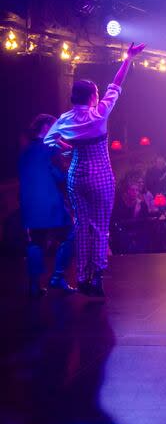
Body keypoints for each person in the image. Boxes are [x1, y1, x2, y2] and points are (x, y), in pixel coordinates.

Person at [44, 42, 145, 297]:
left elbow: (47, 142)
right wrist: (128, 58)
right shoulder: (99, 114)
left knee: (81, 226)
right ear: (91, 96)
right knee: (100, 226)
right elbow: (117, 84)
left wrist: (67, 148)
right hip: (100, 177)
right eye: (96, 92)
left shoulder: (65, 119)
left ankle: (81, 276)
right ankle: (96, 276)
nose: (99, 95)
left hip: (76, 176)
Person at [18, 114, 75, 297]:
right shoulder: (51, 148)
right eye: (54, 126)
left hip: (30, 206)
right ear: (45, 128)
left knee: (35, 242)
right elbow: (59, 177)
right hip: (51, 203)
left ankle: (34, 286)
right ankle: (57, 277)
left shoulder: (25, 151)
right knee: (70, 234)